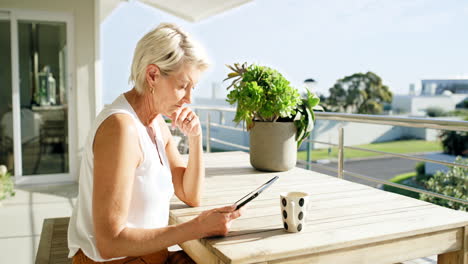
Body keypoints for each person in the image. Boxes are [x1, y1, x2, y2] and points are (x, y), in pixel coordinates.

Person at [68, 23, 244, 264]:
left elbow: (190, 194)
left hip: (149, 256)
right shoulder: (120, 128)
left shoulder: (156, 123)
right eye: (183, 86)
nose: (190, 98)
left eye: (193, 87)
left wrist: (196, 138)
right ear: (152, 75)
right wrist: (198, 227)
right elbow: (109, 243)